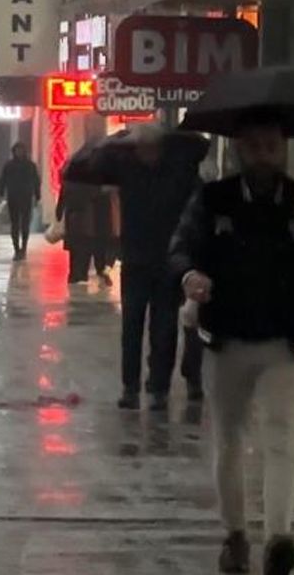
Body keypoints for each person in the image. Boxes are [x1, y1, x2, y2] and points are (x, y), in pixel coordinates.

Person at [168, 117, 294, 575]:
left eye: (271, 145)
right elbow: (182, 246)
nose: (263, 155)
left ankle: (278, 540)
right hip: (226, 340)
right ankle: (235, 536)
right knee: (229, 440)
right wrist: (190, 275)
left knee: (280, 436)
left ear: (283, 148)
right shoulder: (213, 199)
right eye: (253, 146)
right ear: (238, 150)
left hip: (286, 342)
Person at [84, 125, 206, 411]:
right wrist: (114, 140)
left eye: (150, 147)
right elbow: (94, 166)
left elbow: (200, 146)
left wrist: (172, 135)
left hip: (167, 261)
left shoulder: (177, 171)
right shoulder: (127, 168)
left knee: (164, 328)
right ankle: (131, 387)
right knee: (132, 327)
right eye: (140, 147)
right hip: (135, 259)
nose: (144, 152)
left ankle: (158, 387)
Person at [55, 179, 111, 284]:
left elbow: (63, 194)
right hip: (87, 216)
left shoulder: (71, 179)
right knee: (86, 245)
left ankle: (75, 274)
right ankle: (82, 274)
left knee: (75, 247)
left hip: (74, 216)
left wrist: (59, 210)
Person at [0, 142, 40, 260]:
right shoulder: (9, 165)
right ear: (14, 151)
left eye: (21, 150)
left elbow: (36, 181)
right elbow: (2, 180)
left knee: (25, 224)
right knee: (15, 224)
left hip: (26, 197)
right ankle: (16, 249)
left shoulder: (30, 166)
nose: (19, 152)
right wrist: (0, 193)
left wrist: (37, 196)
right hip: (13, 197)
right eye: (17, 150)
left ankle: (24, 248)